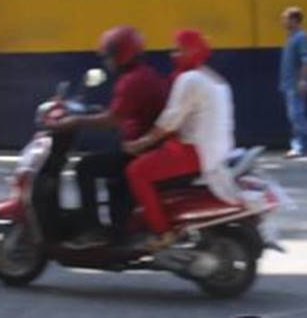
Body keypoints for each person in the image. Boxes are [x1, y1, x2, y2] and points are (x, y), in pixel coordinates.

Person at [123, 29, 238, 250]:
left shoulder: (190, 79)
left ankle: (162, 232)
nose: (172, 54)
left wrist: (140, 143)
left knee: (136, 171)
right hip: (218, 150)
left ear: (191, 51)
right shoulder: (213, 78)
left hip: (195, 152)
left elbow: (169, 122)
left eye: (178, 50)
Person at [54, 26, 168, 248]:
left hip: (139, 150)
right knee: (105, 161)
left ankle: (94, 230)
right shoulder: (142, 74)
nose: (106, 62)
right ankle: (115, 227)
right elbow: (123, 111)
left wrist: (76, 121)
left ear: (120, 54)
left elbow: (112, 120)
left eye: (108, 56)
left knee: (84, 167)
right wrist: (92, 112)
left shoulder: (131, 80)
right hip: (144, 145)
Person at [279, 6, 307, 158]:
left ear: (294, 20)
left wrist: (303, 81)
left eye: (285, 18)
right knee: (293, 117)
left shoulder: (301, 37)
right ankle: (299, 147)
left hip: (296, 83)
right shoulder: (291, 37)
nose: (282, 22)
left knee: (297, 115)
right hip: (288, 83)